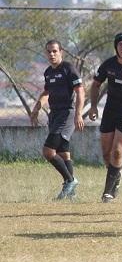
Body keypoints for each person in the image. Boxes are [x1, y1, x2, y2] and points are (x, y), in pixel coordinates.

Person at [88, 33, 122, 203]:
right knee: (107, 154)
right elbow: (96, 84)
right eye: (120, 45)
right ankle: (116, 173)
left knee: (117, 150)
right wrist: (94, 106)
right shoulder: (109, 64)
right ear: (116, 47)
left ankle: (108, 192)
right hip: (110, 112)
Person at [30, 39, 84, 199]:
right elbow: (47, 92)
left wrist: (78, 114)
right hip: (54, 114)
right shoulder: (48, 72)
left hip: (66, 114)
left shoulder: (68, 68)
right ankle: (71, 194)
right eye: (49, 51)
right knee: (63, 153)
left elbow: (80, 91)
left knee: (48, 151)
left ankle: (70, 180)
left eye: (55, 51)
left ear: (61, 52)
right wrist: (36, 107)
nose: (52, 54)